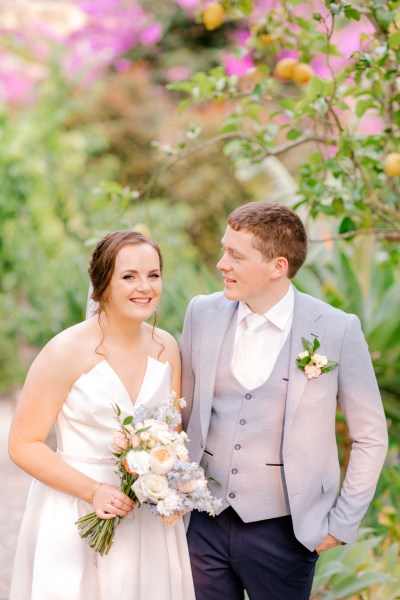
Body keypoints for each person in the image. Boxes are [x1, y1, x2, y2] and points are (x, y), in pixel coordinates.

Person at [181, 201, 388, 600]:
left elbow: (371, 437)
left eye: (236, 256)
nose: (222, 263)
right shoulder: (201, 313)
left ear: (277, 266)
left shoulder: (336, 329)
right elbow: (183, 411)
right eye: (224, 250)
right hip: (203, 522)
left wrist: (341, 524)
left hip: (286, 531)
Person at [8, 230, 195, 600]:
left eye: (153, 275)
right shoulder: (64, 351)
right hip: (74, 510)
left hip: (145, 515)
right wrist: (93, 491)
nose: (145, 287)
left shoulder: (166, 347)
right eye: (129, 276)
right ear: (101, 284)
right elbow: (23, 444)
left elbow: (172, 436)